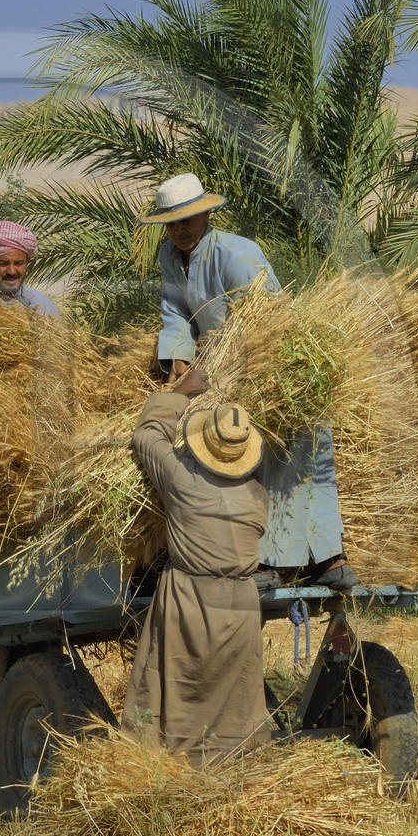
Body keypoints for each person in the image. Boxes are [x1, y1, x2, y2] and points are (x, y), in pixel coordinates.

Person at [140, 172, 354, 587]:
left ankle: (314, 562)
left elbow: (267, 322)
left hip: (264, 366)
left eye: (186, 220)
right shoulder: (170, 256)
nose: (179, 230)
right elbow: (175, 311)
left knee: (288, 458)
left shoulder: (236, 255)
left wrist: (247, 373)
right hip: (219, 369)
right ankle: (288, 560)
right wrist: (179, 359)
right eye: (172, 223)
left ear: (205, 216)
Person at [123, 367, 270, 763]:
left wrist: (180, 393)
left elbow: (146, 436)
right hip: (241, 606)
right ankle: (229, 770)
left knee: (171, 691)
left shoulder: (183, 481)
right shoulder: (256, 495)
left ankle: (163, 772)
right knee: (233, 704)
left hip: (191, 601)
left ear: (203, 443)